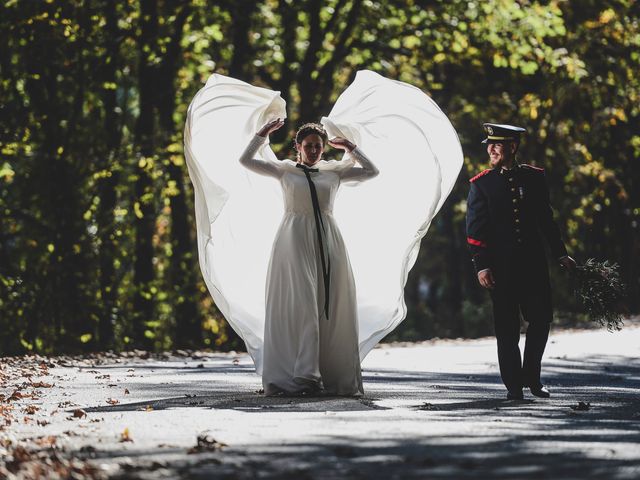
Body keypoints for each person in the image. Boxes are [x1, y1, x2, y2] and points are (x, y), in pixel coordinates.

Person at [238, 120, 379, 396]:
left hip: (328, 241)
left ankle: (325, 374)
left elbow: (372, 171)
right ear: (298, 147)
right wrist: (262, 135)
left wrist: (351, 148)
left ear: (323, 147)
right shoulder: (285, 170)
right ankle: (303, 375)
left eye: (318, 146)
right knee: (302, 304)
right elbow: (245, 160)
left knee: (327, 304)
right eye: (308, 146)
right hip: (293, 240)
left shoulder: (334, 172)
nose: (313, 150)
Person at [466, 123, 576, 400]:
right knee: (506, 328)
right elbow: (475, 230)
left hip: (533, 263)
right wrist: (482, 265)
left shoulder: (534, 178)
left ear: (512, 147)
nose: (491, 149)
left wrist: (560, 253)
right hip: (500, 268)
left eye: (497, 144)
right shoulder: (481, 184)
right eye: (489, 145)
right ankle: (514, 385)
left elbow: (546, 220)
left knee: (541, 321)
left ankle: (532, 378)